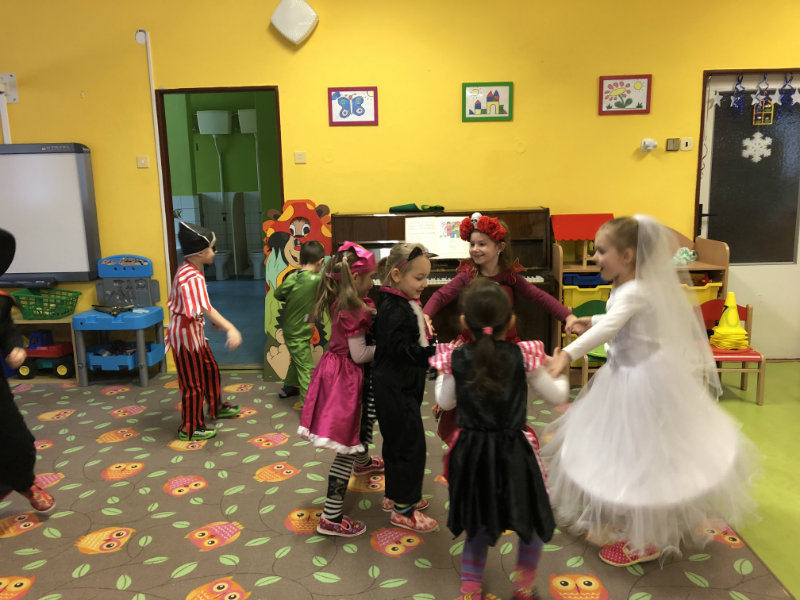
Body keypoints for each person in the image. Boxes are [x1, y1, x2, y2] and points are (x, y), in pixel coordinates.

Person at [544, 215, 759, 567]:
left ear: (627, 255)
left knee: (642, 456)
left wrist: (568, 353)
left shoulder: (636, 290)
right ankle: (631, 513)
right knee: (624, 451)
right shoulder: (627, 287)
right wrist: (590, 320)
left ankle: (648, 538)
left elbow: (612, 326)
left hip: (643, 382)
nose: (595, 258)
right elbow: (615, 318)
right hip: (625, 375)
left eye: (602, 251)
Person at [431, 279, 569, 600]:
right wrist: (558, 370)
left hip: (472, 454)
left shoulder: (456, 358)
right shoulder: (523, 356)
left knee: (478, 522)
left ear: (464, 322)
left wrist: (443, 373)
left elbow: (445, 402)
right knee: (530, 519)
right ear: (511, 322)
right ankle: (523, 588)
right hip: (513, 453)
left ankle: (470, 591)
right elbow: (557, 396)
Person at [423, 213, 576, 441]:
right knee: (468, 400)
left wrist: (567, 316)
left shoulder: (510, 277)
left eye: (482, 244)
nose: (475, 249)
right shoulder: (467, 275)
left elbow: (539, 296)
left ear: (500, 247)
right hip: (472, 345)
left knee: (503, 398)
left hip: (505, 345)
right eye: (472, 244)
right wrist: (425, 314)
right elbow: (441, 295)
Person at [297, 241, 383, 537]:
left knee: (359, 426)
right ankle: (331, 517)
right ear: (355, 278)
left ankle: (364, 462)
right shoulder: (353, 311)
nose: (373, 283)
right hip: (347, 378)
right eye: (370, 277)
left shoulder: (343, 301)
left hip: (337, 371)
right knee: (346, 443)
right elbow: (360, 354)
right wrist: (387, 348)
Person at [373, 243, 439, 533]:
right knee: (411, 446)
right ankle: (403, 509)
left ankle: (395, 495)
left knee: (396, 443)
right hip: (395, 388)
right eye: (419, 278)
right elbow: (404, 352)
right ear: (397, 275)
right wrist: (435, 353)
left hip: (398, 386)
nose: (425, 284)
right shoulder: (395, 310)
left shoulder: (399, 301)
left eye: (426, 277)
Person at [167, 222, 242, 442]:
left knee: (209, 370)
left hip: (194, 332)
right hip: (185, 337)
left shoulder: (190, 269)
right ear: (201, 252)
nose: (215, 252)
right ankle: (190, 428)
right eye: (213, 248)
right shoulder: (192, 276)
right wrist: (230, 328)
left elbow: (198, 305)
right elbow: (207, 308)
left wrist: (210, 321)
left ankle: (216, 406)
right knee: (192, 384)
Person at [0, 228, 56, 513]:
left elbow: (6, 328)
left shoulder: (0, 299)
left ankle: (24, 482)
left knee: (17, 439)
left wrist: (13, 347)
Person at [273, 240, 325, 405]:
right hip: (298, 332)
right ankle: (309, 406)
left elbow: (278, 294)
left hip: (292, 329)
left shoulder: (293, 277)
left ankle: (288, 388)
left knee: (298, 360)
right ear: (320, 262)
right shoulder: (317, 280)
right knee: (306, 368)